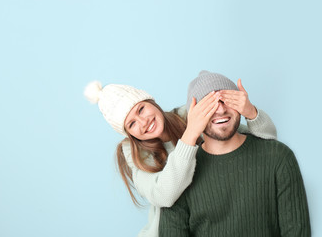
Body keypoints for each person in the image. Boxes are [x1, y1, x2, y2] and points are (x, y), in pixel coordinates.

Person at [84, 75, 277, 237]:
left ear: (151, 102)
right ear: (130, 134)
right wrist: (191, 134)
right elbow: (164, 195)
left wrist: (251, 112)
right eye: (132, 124)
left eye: (141, 109)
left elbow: (265, 143)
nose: (143, 122)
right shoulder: (133, 154)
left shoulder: (187, 115)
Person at [159, 71, 310, 237]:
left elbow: (297, 232)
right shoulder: (178, 175)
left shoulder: (279, 157)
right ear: (194, 116)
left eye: (227, 100)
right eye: (209, 105)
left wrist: (252, 111)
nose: (221, 109)